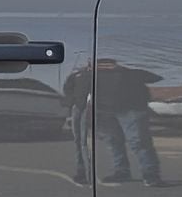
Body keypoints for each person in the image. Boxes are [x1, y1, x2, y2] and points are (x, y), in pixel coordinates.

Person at [68, 57, 163, 187]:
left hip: (131, 109)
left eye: (107, 65)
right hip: (103, 111)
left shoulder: (127, 73)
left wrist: (124, 70)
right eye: (100, 65)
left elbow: (154, 78)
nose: (103, 67)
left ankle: (150, 174)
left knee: (138, 141)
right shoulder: (84, 75)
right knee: (114, 141)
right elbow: (72, 90)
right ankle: (122, 171)